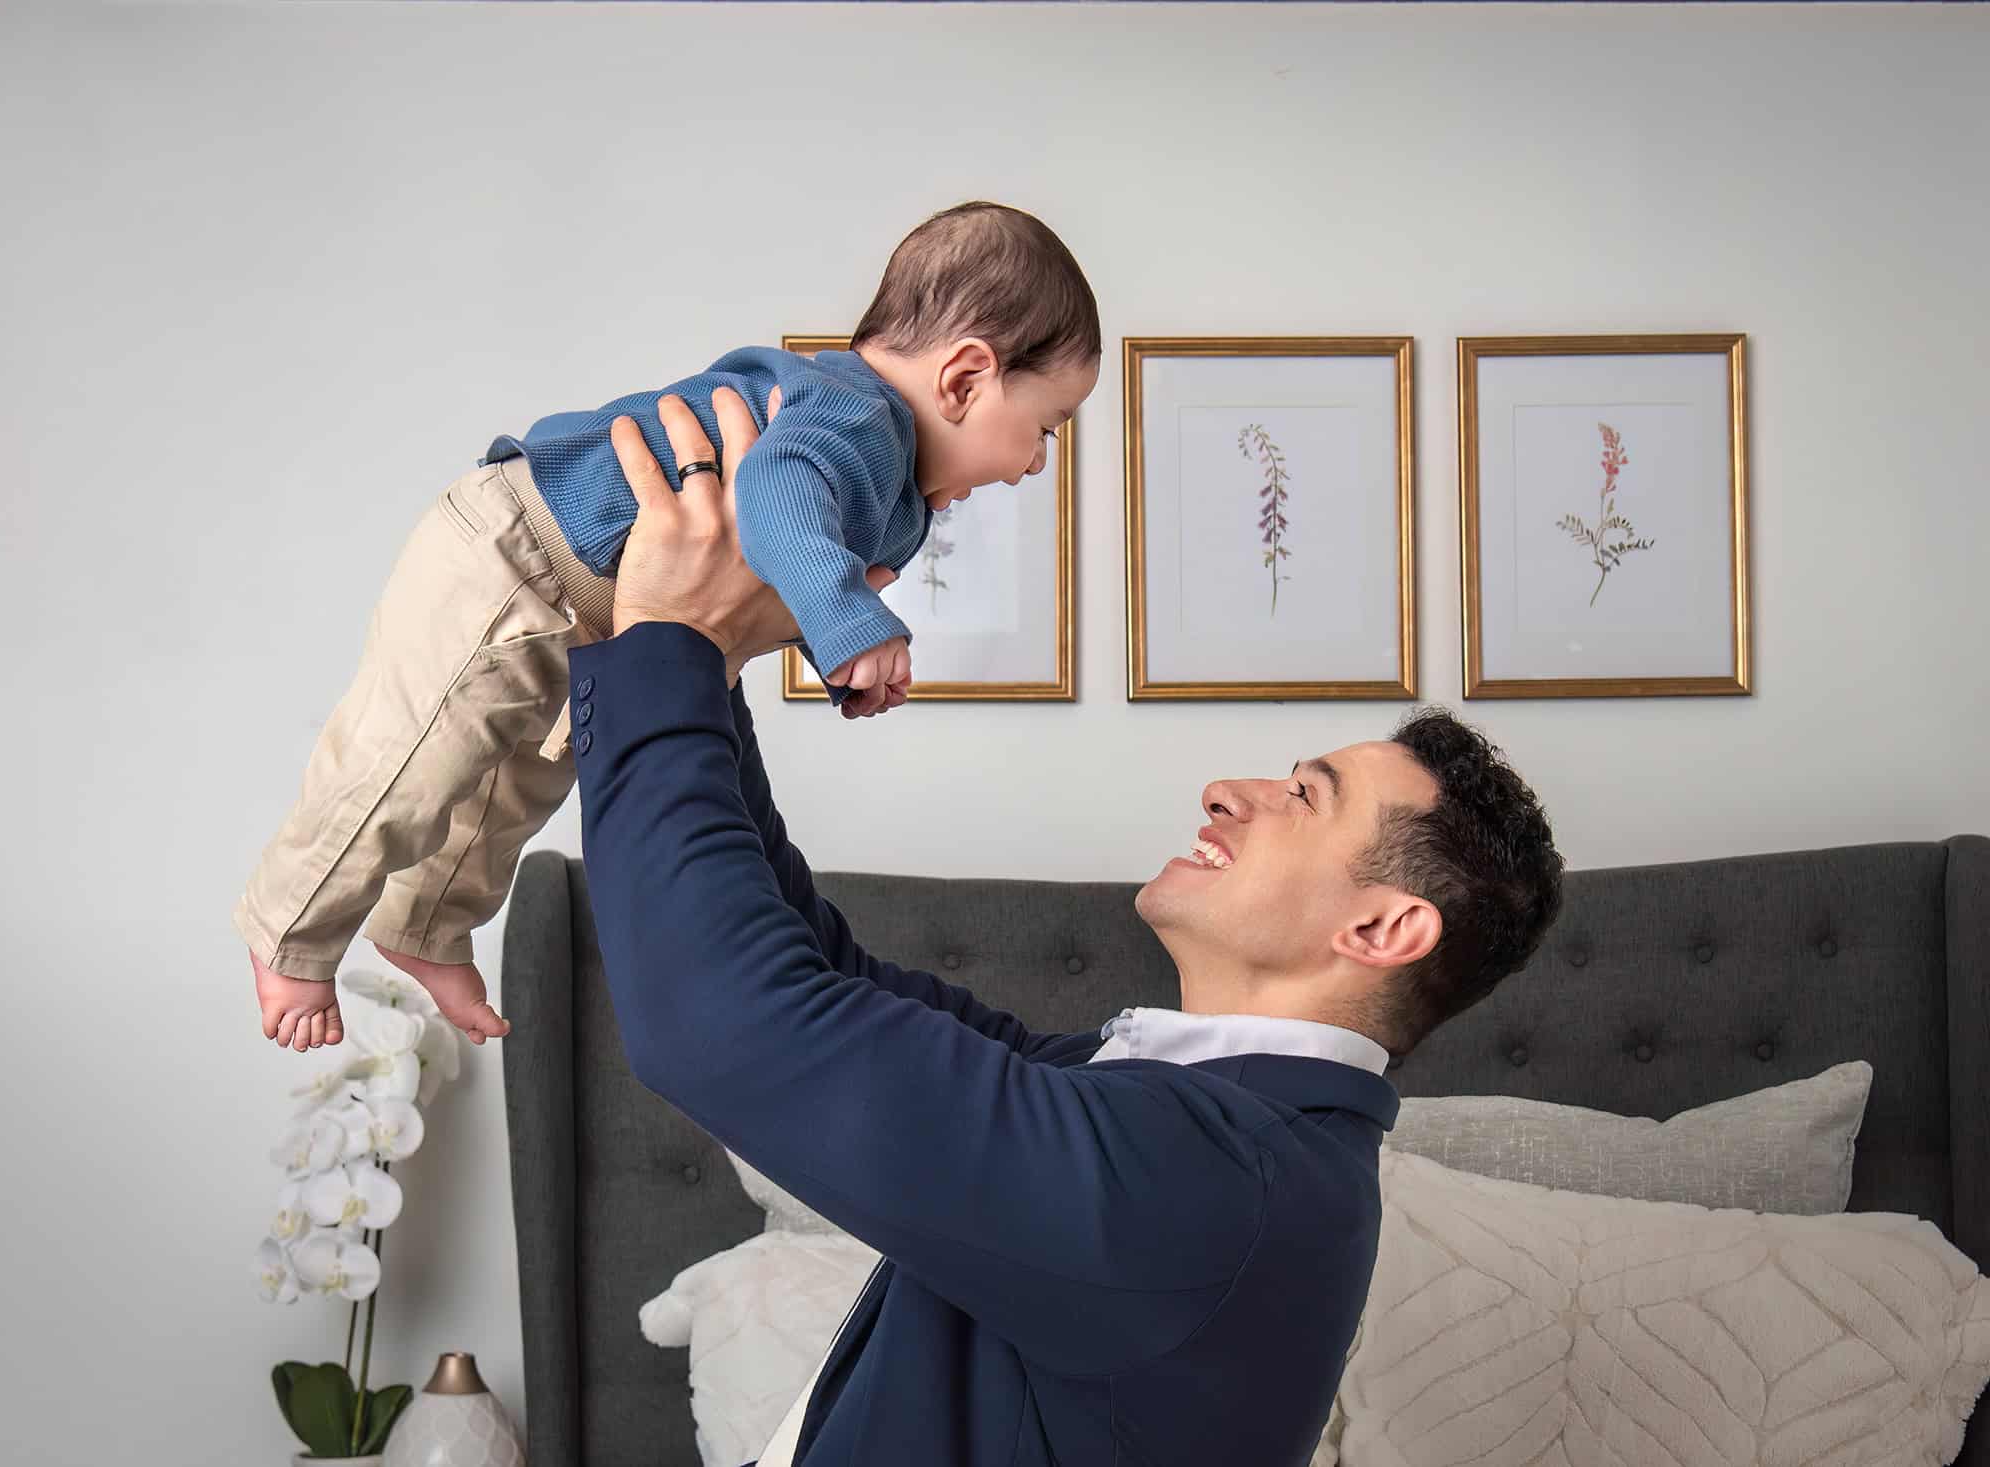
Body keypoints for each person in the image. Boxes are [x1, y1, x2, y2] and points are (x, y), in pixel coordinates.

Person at [575, 390, 1566, 1465]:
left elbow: (722, 1027)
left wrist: (666, 641)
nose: (1231, 792)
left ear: (1381, 929)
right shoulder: (1169, 1112)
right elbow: (812, 973)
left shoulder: (1210, 1183)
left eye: (1304, 798)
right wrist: (707, 661)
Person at [235, 201, 1102, 1054]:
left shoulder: (897, 487)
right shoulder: (858, 416)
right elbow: (775, 491)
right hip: (518, 553)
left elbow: (773, 559)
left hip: (592, 612)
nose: (1036, 463)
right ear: (964, 377)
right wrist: (850, 621)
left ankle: (425, 926)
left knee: (510, 792)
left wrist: (840, 651)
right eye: (1046, 428)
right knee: (411, 759)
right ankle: (289, 933)